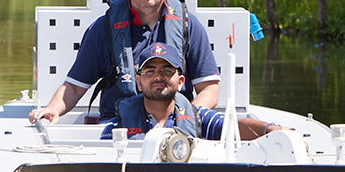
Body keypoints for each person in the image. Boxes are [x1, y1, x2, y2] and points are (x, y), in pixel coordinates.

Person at [29, 0, 220, 124]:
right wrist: (53, 109)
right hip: (117, 127)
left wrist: (183, 120)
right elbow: (74, 87)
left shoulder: (189, 26)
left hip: (173, 130)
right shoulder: (103, 29)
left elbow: (210, 89)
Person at [99, 41, 285, 141]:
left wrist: (272, 130)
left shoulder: (197, 118)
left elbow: (234, 127)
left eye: (167, 70)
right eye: (150, 71)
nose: (158, 77)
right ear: (138, 82)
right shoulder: (118, 126)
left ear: (180, 81)